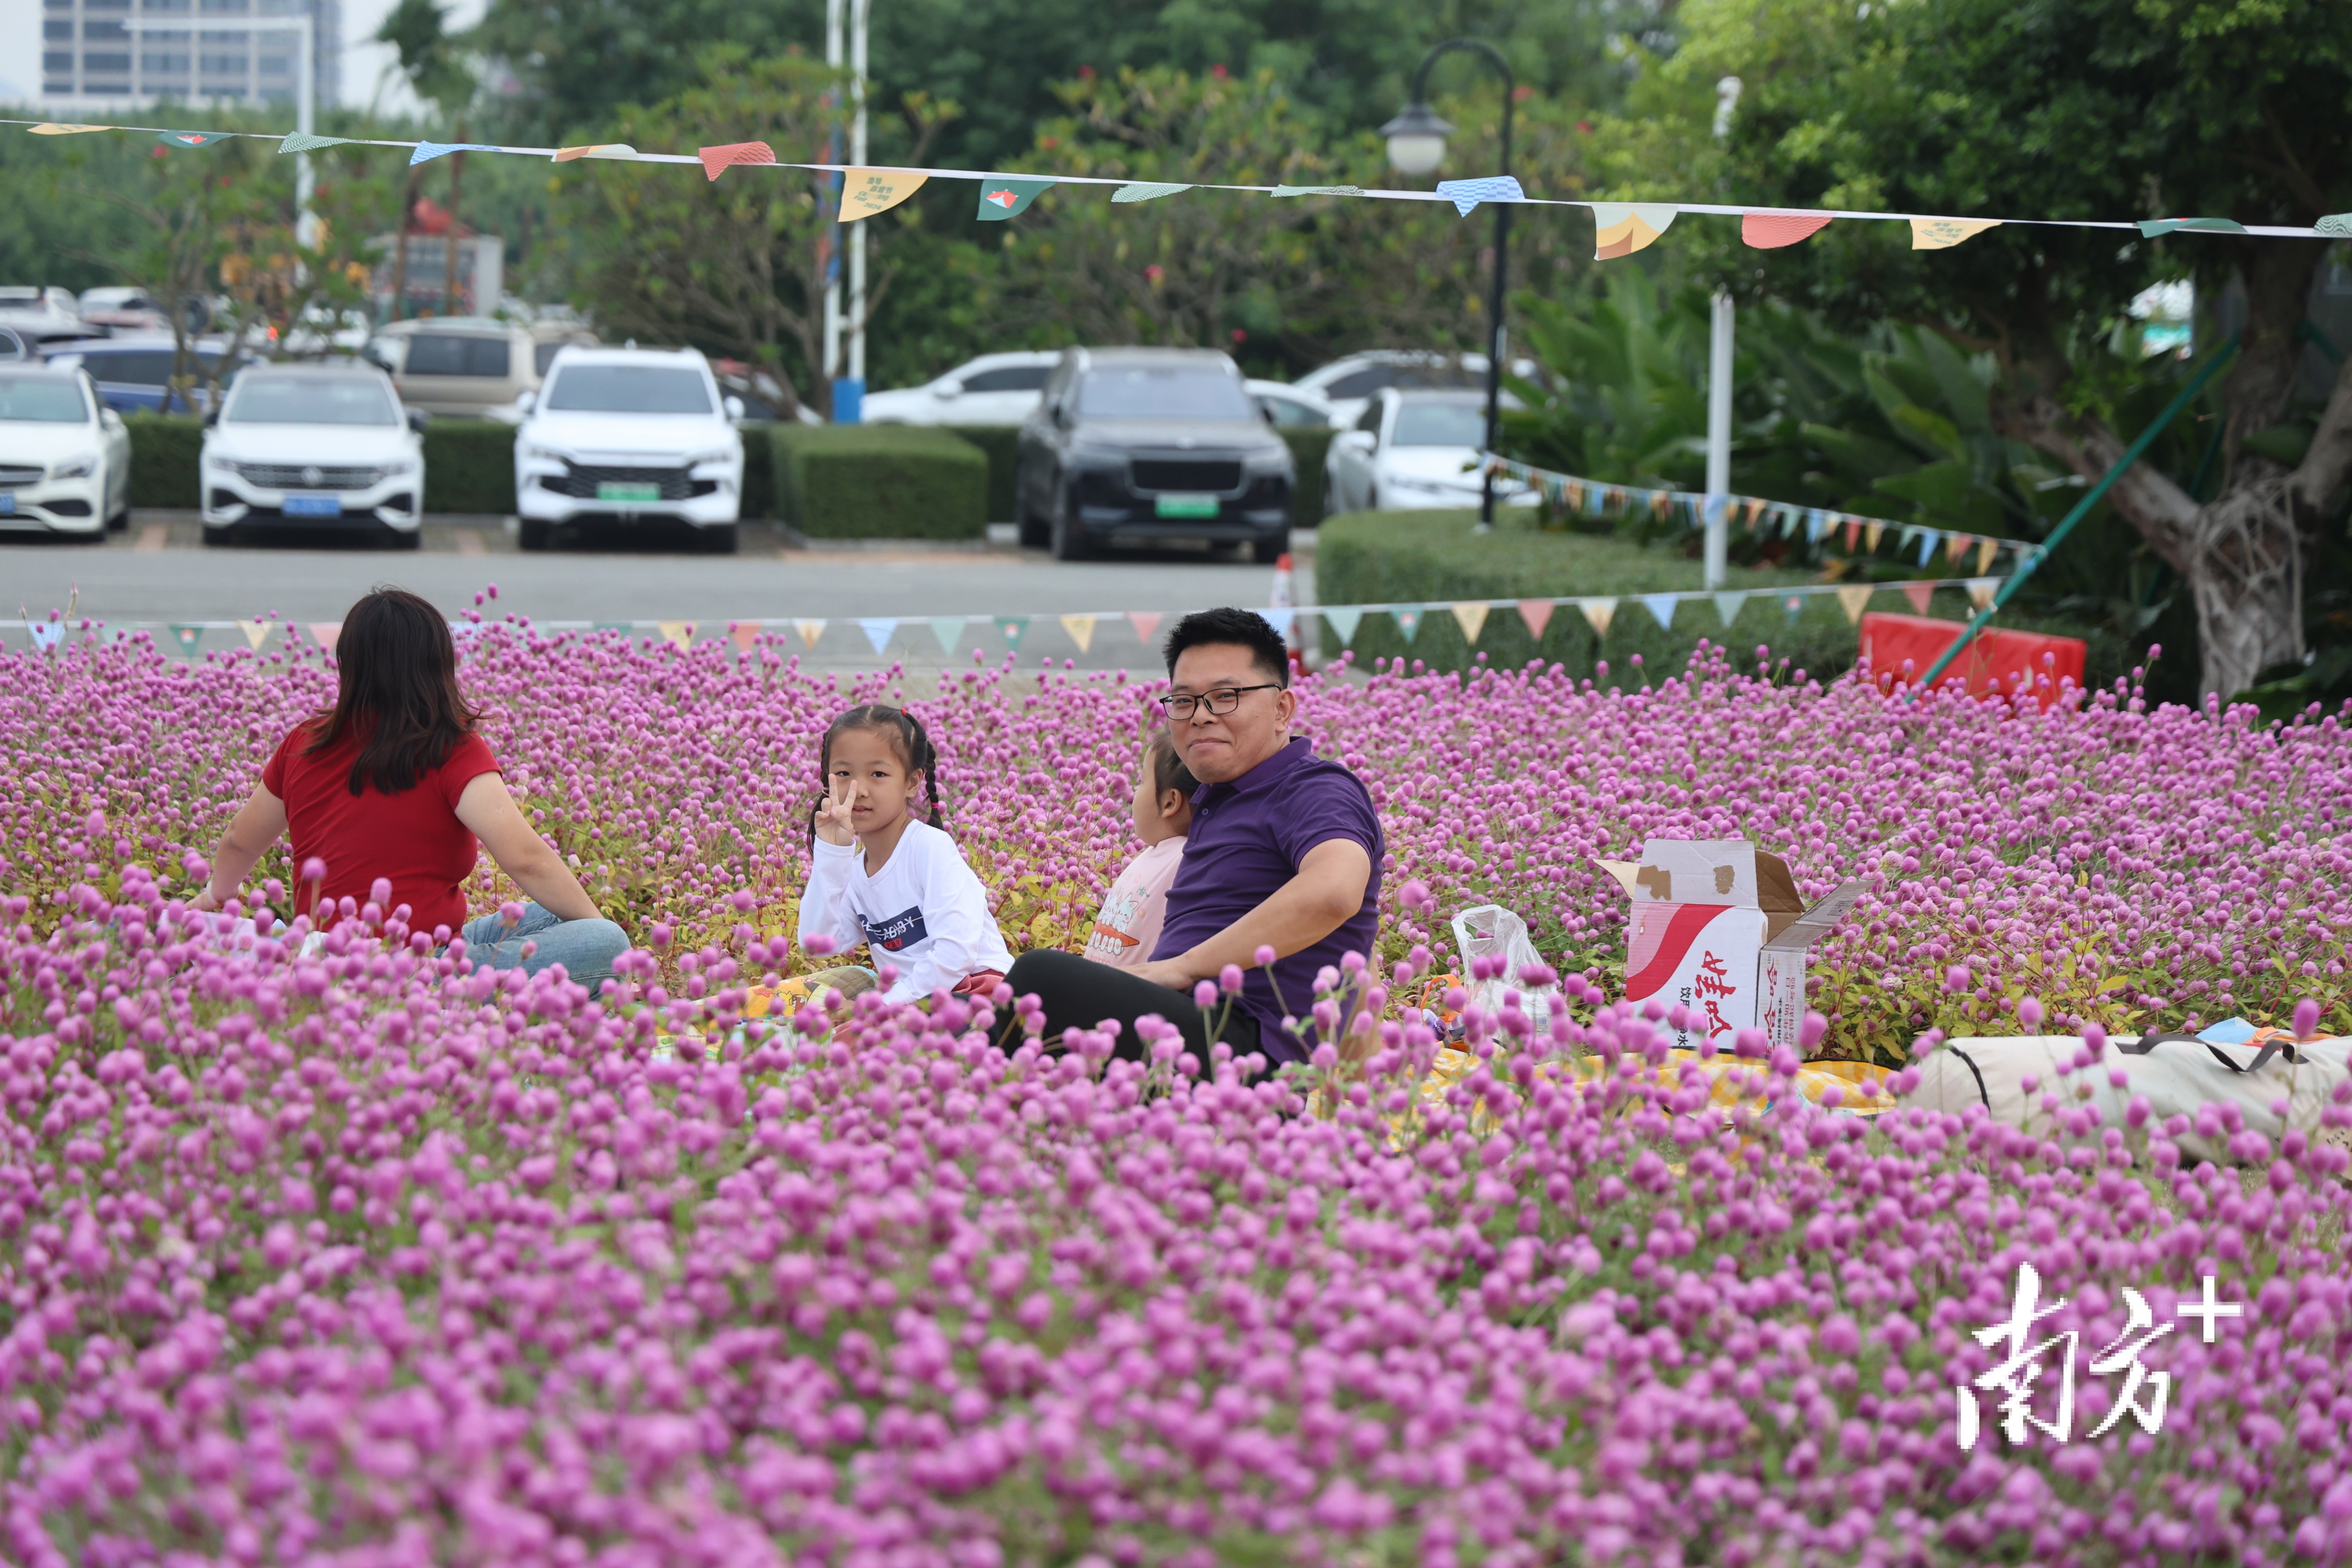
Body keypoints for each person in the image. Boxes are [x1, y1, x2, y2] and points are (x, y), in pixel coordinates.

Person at [192, 587, 630, 986]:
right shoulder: (450, 748)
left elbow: (238, 840)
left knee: (544, 915)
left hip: (323, 957)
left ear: (349, 665)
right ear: (437, 666)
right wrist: (605, 938)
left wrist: (217, 894)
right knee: (605, 943)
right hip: (416, 971)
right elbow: (527, 860)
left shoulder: (305, 741)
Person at [1003, 607, 1383, 1065]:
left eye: (1225, 696)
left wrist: (1180, 967)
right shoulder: (1219, 796)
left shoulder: (1313, 787)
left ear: (1282, 709)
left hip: (1246, 1047)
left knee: (1041, 978)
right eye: (1184, 701)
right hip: (1186, 1026)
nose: (1200, 716)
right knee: (974, 1008)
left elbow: (1335, 893)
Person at [797, 704, 1015, 1007]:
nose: (858, 790)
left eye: (878, 774)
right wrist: (832, 852)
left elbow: (955, 957)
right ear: (827, 782)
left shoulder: (929, 848)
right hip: (914, 1003)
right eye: (844, 773)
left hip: (978, 992)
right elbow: (817, 943)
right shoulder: (856, 874)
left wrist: (880, 1008)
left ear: (912, 783)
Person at [1083, 730, 1196, 969]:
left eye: (1142, 782)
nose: (1135, 792)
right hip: (1103, 986)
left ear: (1169, 802)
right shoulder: (1157, 851)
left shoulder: (1187, 858)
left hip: (1128, 993)